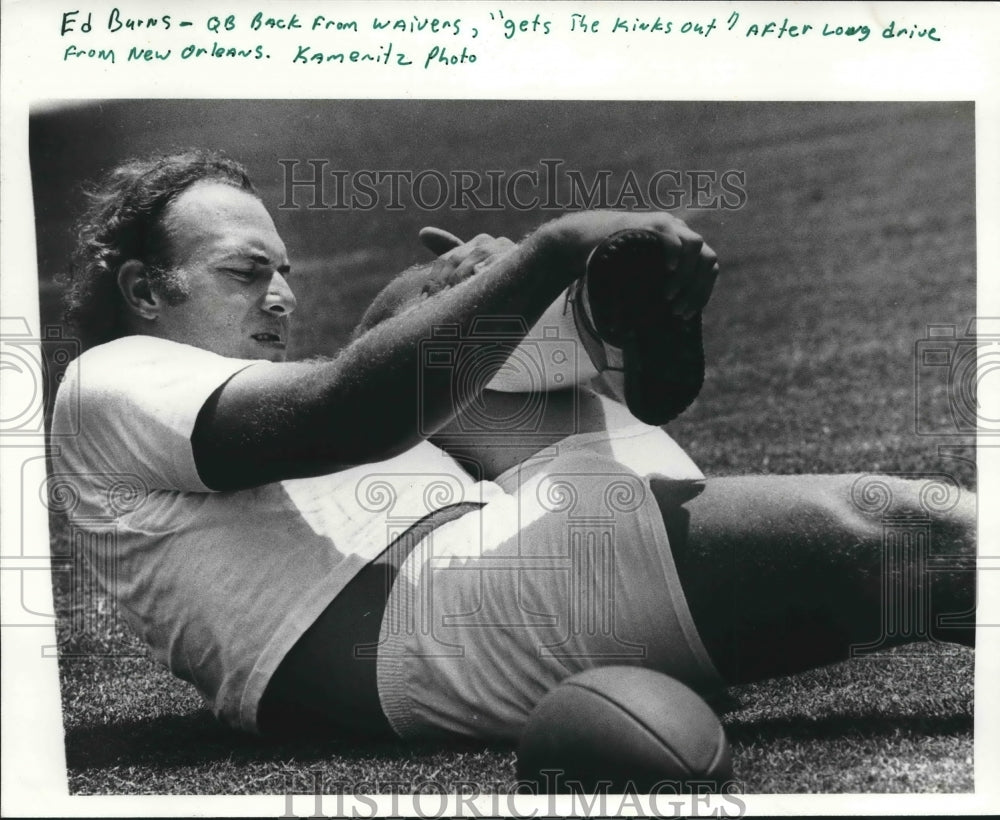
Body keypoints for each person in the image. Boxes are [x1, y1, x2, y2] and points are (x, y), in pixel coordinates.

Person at [51, 149, 976, 743]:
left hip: (482, 551)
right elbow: (350, 413)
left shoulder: (212, 398)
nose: (283, 295)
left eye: (285, 271)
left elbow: (379, 384)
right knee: (902, 537)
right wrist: (549, 250)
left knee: (416, 309)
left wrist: (477, 293)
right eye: (246, 273)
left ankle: (616, 317)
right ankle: (572, 301)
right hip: (410, 632)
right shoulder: (112, 379)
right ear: (144, 288)